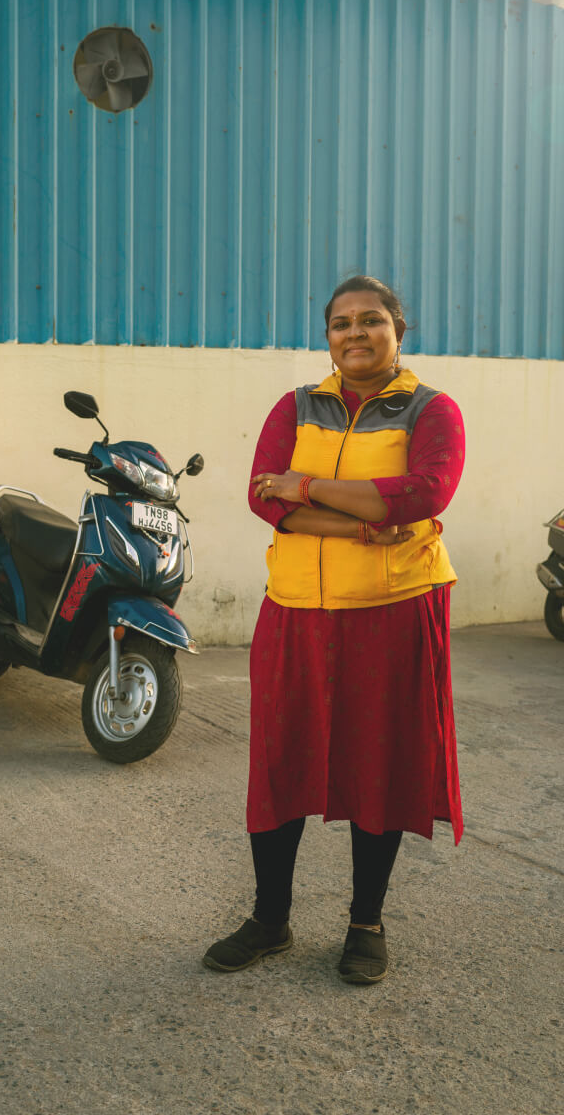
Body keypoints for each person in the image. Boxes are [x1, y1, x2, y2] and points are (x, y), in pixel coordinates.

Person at [203, 276, 465, 984]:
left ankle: (365, 924)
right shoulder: (295, 407)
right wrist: (367, 519)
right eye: (341, 323)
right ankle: (269, 919)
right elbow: (265, 497)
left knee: (377, 768)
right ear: (327, 336)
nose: (356, 333)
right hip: (294, 609)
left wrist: (308, 486)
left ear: (398, 332)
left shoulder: (431, 410)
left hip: (394, 611)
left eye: (371, 321)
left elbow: (425, 493)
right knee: (280, 763)